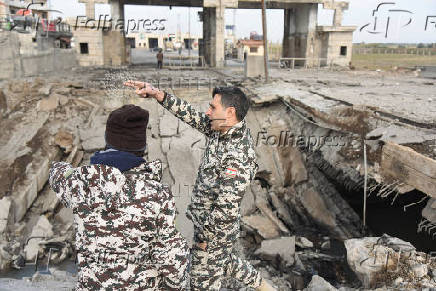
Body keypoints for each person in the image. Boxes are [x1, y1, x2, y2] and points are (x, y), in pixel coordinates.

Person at [124, 81, 276, 291]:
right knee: (225, 262)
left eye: (213, 108)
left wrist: (205, 240)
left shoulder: (237, 155)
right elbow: (191, 115)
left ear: (230, 112)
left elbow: (226, 208)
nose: (208, 111)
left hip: (214, 233)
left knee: (201, 282)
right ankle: (265, 287)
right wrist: (158, 94)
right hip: (208, 226)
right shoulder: (222, 128)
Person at [49, 104, 189, 290]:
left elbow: (57, 173)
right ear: (143, 147)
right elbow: (173, 260)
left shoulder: (80, 182)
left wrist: (70, 171)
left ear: (107, 139)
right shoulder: (157, 194)